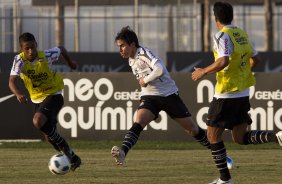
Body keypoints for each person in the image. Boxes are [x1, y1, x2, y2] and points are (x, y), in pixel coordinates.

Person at [110, 26, 234, 168]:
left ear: (132, 44)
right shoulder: (131, 60)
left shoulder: (144, 53)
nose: (120, 50)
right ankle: (123, 152)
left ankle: (222, 156)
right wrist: (144, 90)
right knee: (139, 120)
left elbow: (160, 70)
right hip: (150, 97)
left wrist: (145, 80)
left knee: (192, 129)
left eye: (122, 46)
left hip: (168, 95)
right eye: (119, 47)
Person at [192, 2, 282, 184]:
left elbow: (223, 61)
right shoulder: (241, 34)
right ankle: (277, 136)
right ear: (231, 16)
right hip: (242, 93)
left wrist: (203, 72)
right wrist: (242, 70)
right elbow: (256, 59)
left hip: (226, 93)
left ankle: (225, 180)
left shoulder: (221, 36)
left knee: (212, 136)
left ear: (215, 18)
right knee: (239, 138)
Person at [9, 32, 81, 171]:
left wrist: (70, 63)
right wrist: (18, 93)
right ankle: (72, 158)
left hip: (54, 94)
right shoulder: (19, 60)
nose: (31, 51)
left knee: (37, 121)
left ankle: (66, 148)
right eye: (26, 49)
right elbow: (11, 81)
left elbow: (61, 48)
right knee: (49, 137)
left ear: (36, 45)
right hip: (38, 99)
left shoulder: (46, 55)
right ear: (21, 49)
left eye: (32, 47)